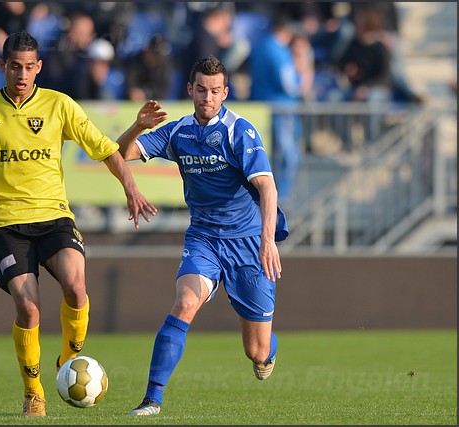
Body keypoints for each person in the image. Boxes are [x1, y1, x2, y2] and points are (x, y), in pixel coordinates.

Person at [0, 31, 157, 417]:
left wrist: (131, 188)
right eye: (15, 66)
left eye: (30, 67)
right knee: (29, 310)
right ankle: (34, 393)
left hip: (54, 218)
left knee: (76, 286)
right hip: (7, 225)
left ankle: (68, 358)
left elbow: (105, 149)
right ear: (3, 66)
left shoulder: (59, 105)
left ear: (39, 68)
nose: (22, 74)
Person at [117, 55, 289, 416]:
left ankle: (268, 348)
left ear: (225, 92)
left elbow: (268, 188)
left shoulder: (240, 131)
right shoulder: (179, 132)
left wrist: (267, 240)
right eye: (201, 90)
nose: (207, 97)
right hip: (204, 238)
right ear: (190, 90)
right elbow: (120, 154)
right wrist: (137, 126)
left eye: (214, 91)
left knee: (256, 352)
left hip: (247, 243)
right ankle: (152, 399)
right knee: (184, 303)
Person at [248, 11, 304, 204]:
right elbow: (289, 85)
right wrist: (303, 76)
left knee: (267, 156)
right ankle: (281, 199)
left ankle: (268, 197)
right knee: (288, 157)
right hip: (282, 109)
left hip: (262, 107)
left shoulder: (261, 46)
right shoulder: (278, 50)